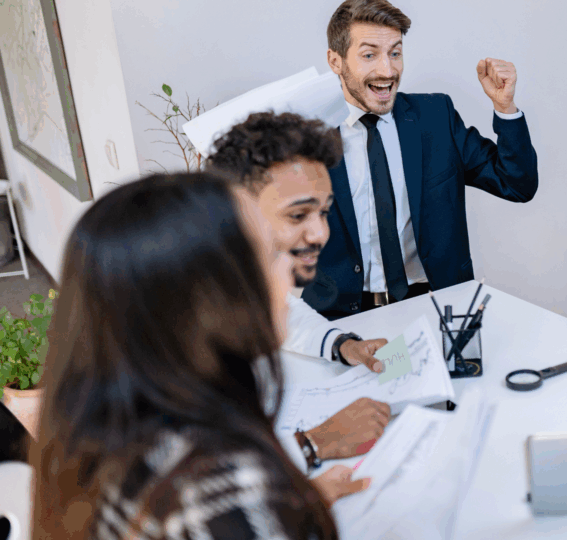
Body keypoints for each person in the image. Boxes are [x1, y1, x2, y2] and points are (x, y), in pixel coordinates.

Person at [32, 174, 364, 539]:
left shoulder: (106, 432)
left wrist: (293, 505)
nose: (293, 272)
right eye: (271, 255)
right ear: (205, 301)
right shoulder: (220, 494)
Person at [305, 0, 539, 319]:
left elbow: (517, 184)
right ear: (336, 61)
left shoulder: (435, 117)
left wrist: (505, 108)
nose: (387, 71)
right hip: (342, 318)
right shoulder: (305, 137)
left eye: (395, 53)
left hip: (437, 306)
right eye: (369, 55)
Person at [207, 112, 393, 466]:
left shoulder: (247, 281)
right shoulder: (187, 312)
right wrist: (314, 444)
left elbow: (286, 313)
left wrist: (343, 345)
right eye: (297, 215)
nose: (320, 233)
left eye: (324, 212)